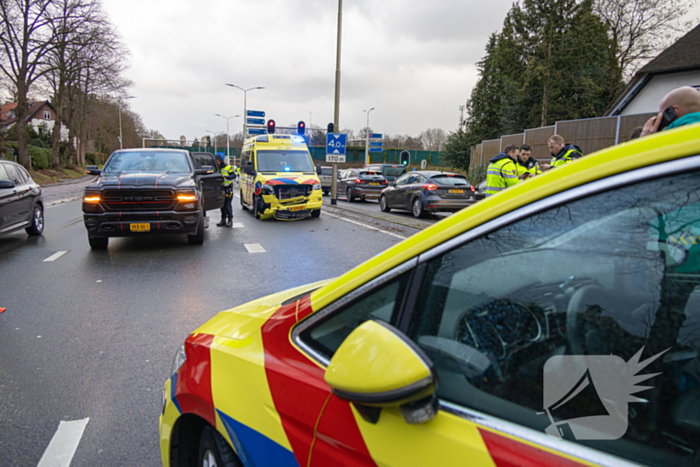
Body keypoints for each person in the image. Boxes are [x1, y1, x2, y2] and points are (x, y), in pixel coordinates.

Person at [215, 154, 236, 227]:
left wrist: (227, 177)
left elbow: (233, 175)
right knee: (222, 205)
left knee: (228, 205)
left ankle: (230, 220)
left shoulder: (228, 167)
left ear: (221, 161)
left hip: (228, 189)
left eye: (218, 161)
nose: (217, 162)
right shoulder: (216, 168)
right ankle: (223, 220)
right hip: (221, 189)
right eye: (216, 161)